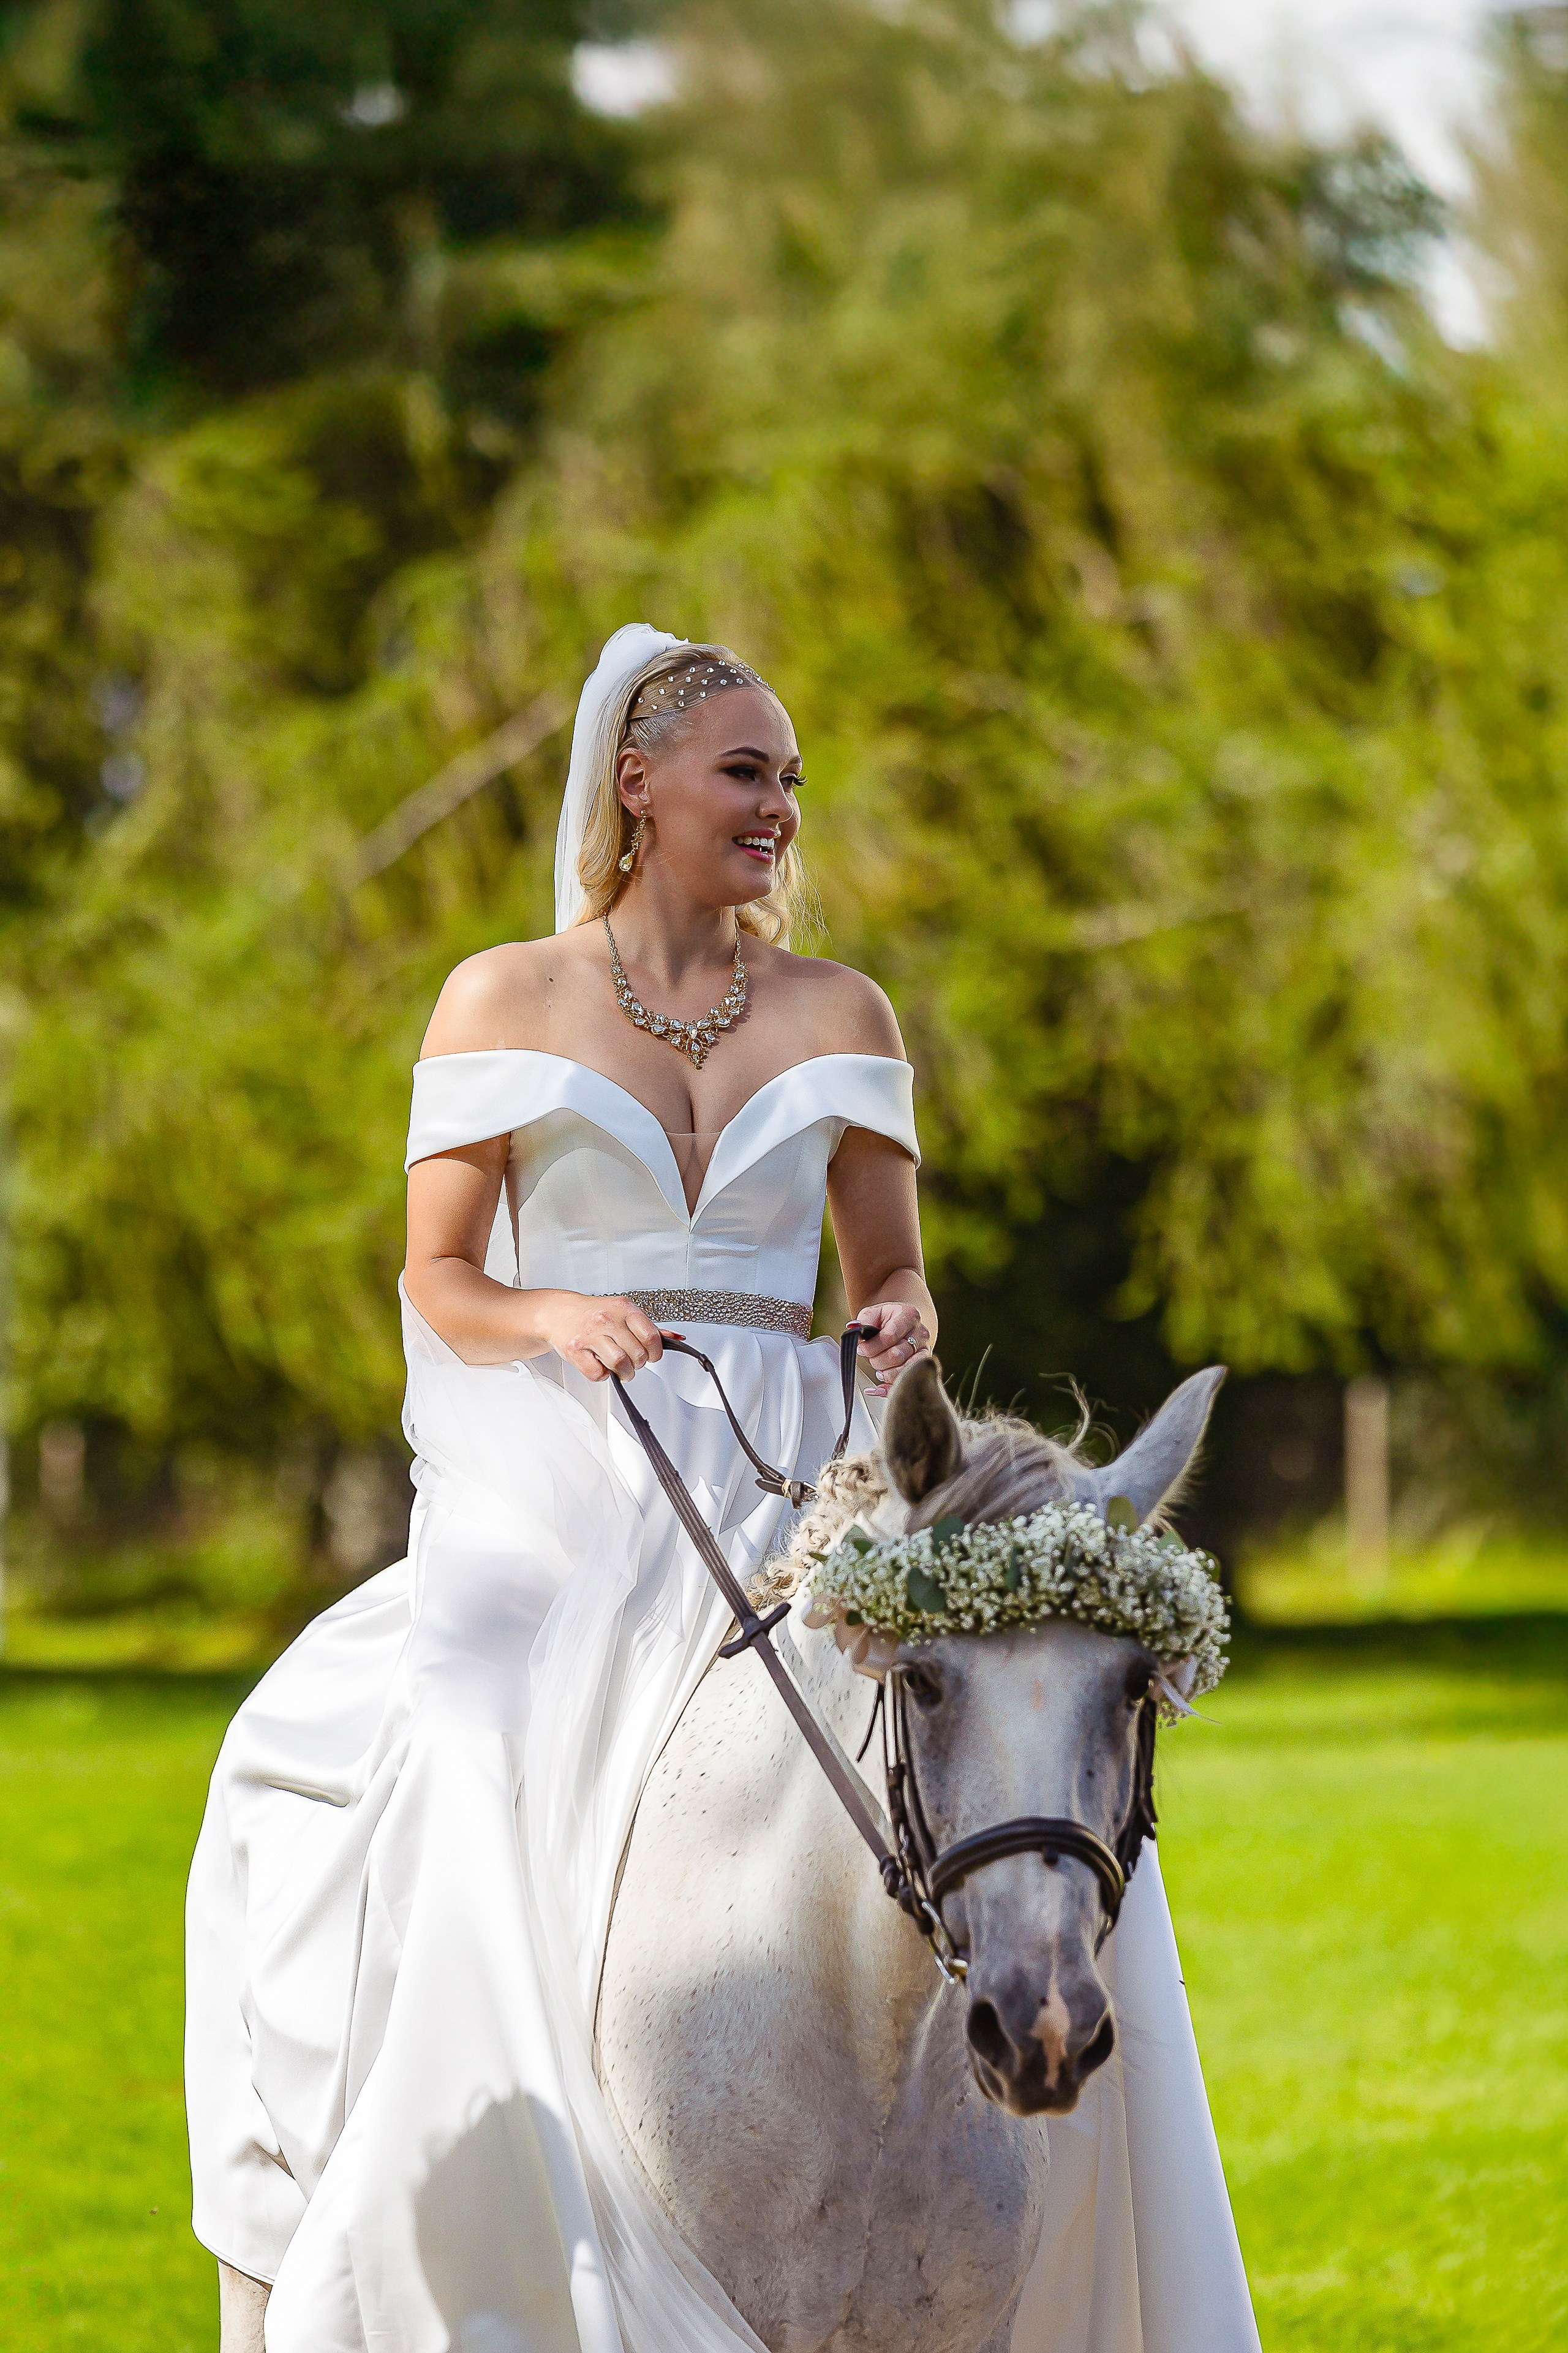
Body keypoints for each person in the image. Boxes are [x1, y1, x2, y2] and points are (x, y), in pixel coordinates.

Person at [186, 625, 1256, 2353]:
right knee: (460, 1730)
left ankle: (1038, 2198)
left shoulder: (845, 1012)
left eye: (790, 780)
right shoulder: (499, 997)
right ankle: (452, 2218)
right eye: (745, 771)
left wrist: (899, 1316)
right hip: (556, 1462)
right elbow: (437, 1279)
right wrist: (555, 1311)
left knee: (1008, 1760)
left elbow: (890, 1284)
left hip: (783, 1473)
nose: (778, 807)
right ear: (638, 781)